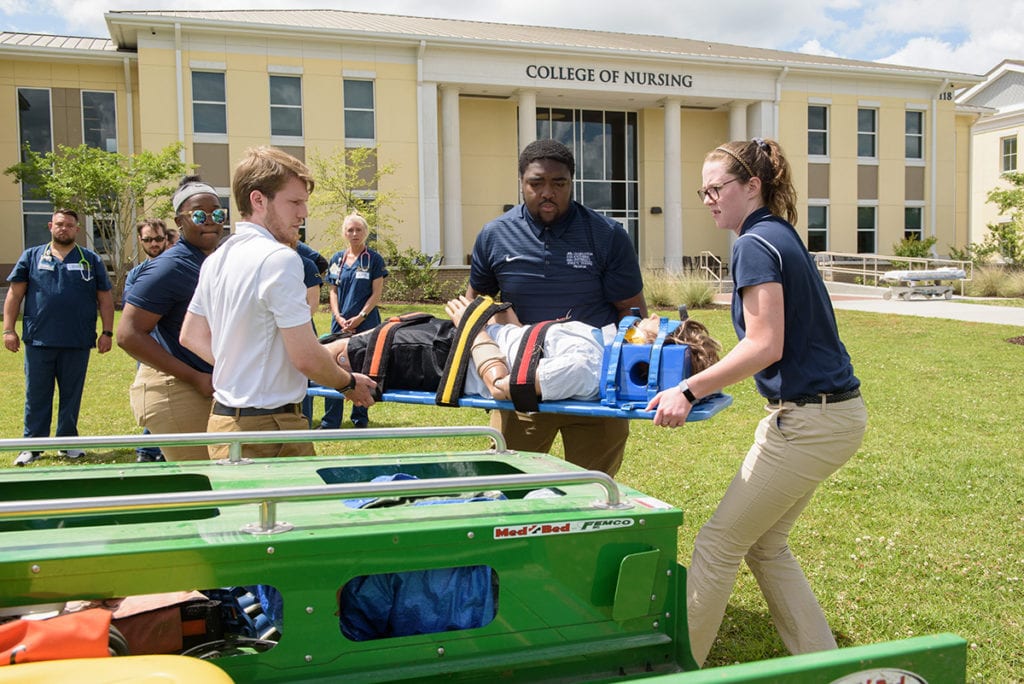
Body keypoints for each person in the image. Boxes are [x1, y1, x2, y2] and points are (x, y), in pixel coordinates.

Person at [645, 138, 868, 667]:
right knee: (765, 545)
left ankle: (679, 670)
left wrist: (687, 388)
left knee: (717, 545)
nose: (708, 198)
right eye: (703, 191)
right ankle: (823, 664)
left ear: (752, 186)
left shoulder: (754, 244)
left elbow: (766, 343)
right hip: (828, 415)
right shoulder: (777, 235)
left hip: (811, 420)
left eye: (717, 187)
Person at [180, 146, 375, 459]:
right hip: (268, 430)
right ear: (258, 200)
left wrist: (245, 366)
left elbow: (191, 335)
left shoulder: (217, 259)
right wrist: (348, 383)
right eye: (295, 202)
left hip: (224, 424)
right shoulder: (280, 259)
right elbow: (306, 358)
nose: (304, 213)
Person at [467, 139, 647, 476]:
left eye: (559, 183)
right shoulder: (495, 235)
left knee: (593, 494)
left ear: (572, 183)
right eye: (536, 183)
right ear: (522, 183)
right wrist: (491, 370)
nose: (547, 192)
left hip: (593, 393)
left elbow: (633, 316)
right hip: (521, 389)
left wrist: (622, 381)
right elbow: (475, 311)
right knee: (506, 489)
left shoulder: (607, 235)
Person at [325, 295, 719, 403]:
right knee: (343, 344)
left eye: (655, 323)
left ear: (652, 345)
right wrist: (503, 322)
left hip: (448, 358)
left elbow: (503, 387)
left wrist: (474, 331)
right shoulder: (599, 345)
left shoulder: (583, 368)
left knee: (339, 356)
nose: (649, 317)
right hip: (456, 342)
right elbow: (527, 349)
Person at [117, 178, 226, 461]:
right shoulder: (169, 267)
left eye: (217, 213)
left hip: (208, 383)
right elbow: (128, 334)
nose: (210, 221)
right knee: (205, 481)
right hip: (177, 388)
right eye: (199, 215)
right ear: (180, 220)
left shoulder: (212, 261)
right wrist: (194, 376)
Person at [3, 208, 114, 465]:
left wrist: (107, 332)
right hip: (39, 340)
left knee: (71, 394)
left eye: (70, 225)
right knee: (36, 394)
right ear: (51, 226)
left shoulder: (90, 259)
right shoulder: (32, 256)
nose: (64, 228)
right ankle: (33, 445)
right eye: (60, 224)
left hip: (77, 340)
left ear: (77, 229)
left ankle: (68, 442)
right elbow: (14, 295)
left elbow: (105, 299)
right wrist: (9, 330)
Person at [320, 212, 388, 429]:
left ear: (365, 232)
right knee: (333, 367)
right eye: (350, 230)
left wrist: (361, 317)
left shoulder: (373, 260)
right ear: (344, 233)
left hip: (365, 323)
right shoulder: (337, 260)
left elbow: (376, 293)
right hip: (340, 323)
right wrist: (338, 316)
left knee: (362, 367)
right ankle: (330, 421)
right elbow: (332, 291)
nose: (354, 233)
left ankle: (360, 417)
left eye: (359, 230)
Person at [122, 217, 170, 463]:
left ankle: (162, 449)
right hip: (149, 347)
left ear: (167, 238)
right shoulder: (136, 275)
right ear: (140, 240)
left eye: (159, 239)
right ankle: (149, 450)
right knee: (153, 400)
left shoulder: (178, 267)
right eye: (148, 239)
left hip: (177, 346)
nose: (154, 243)